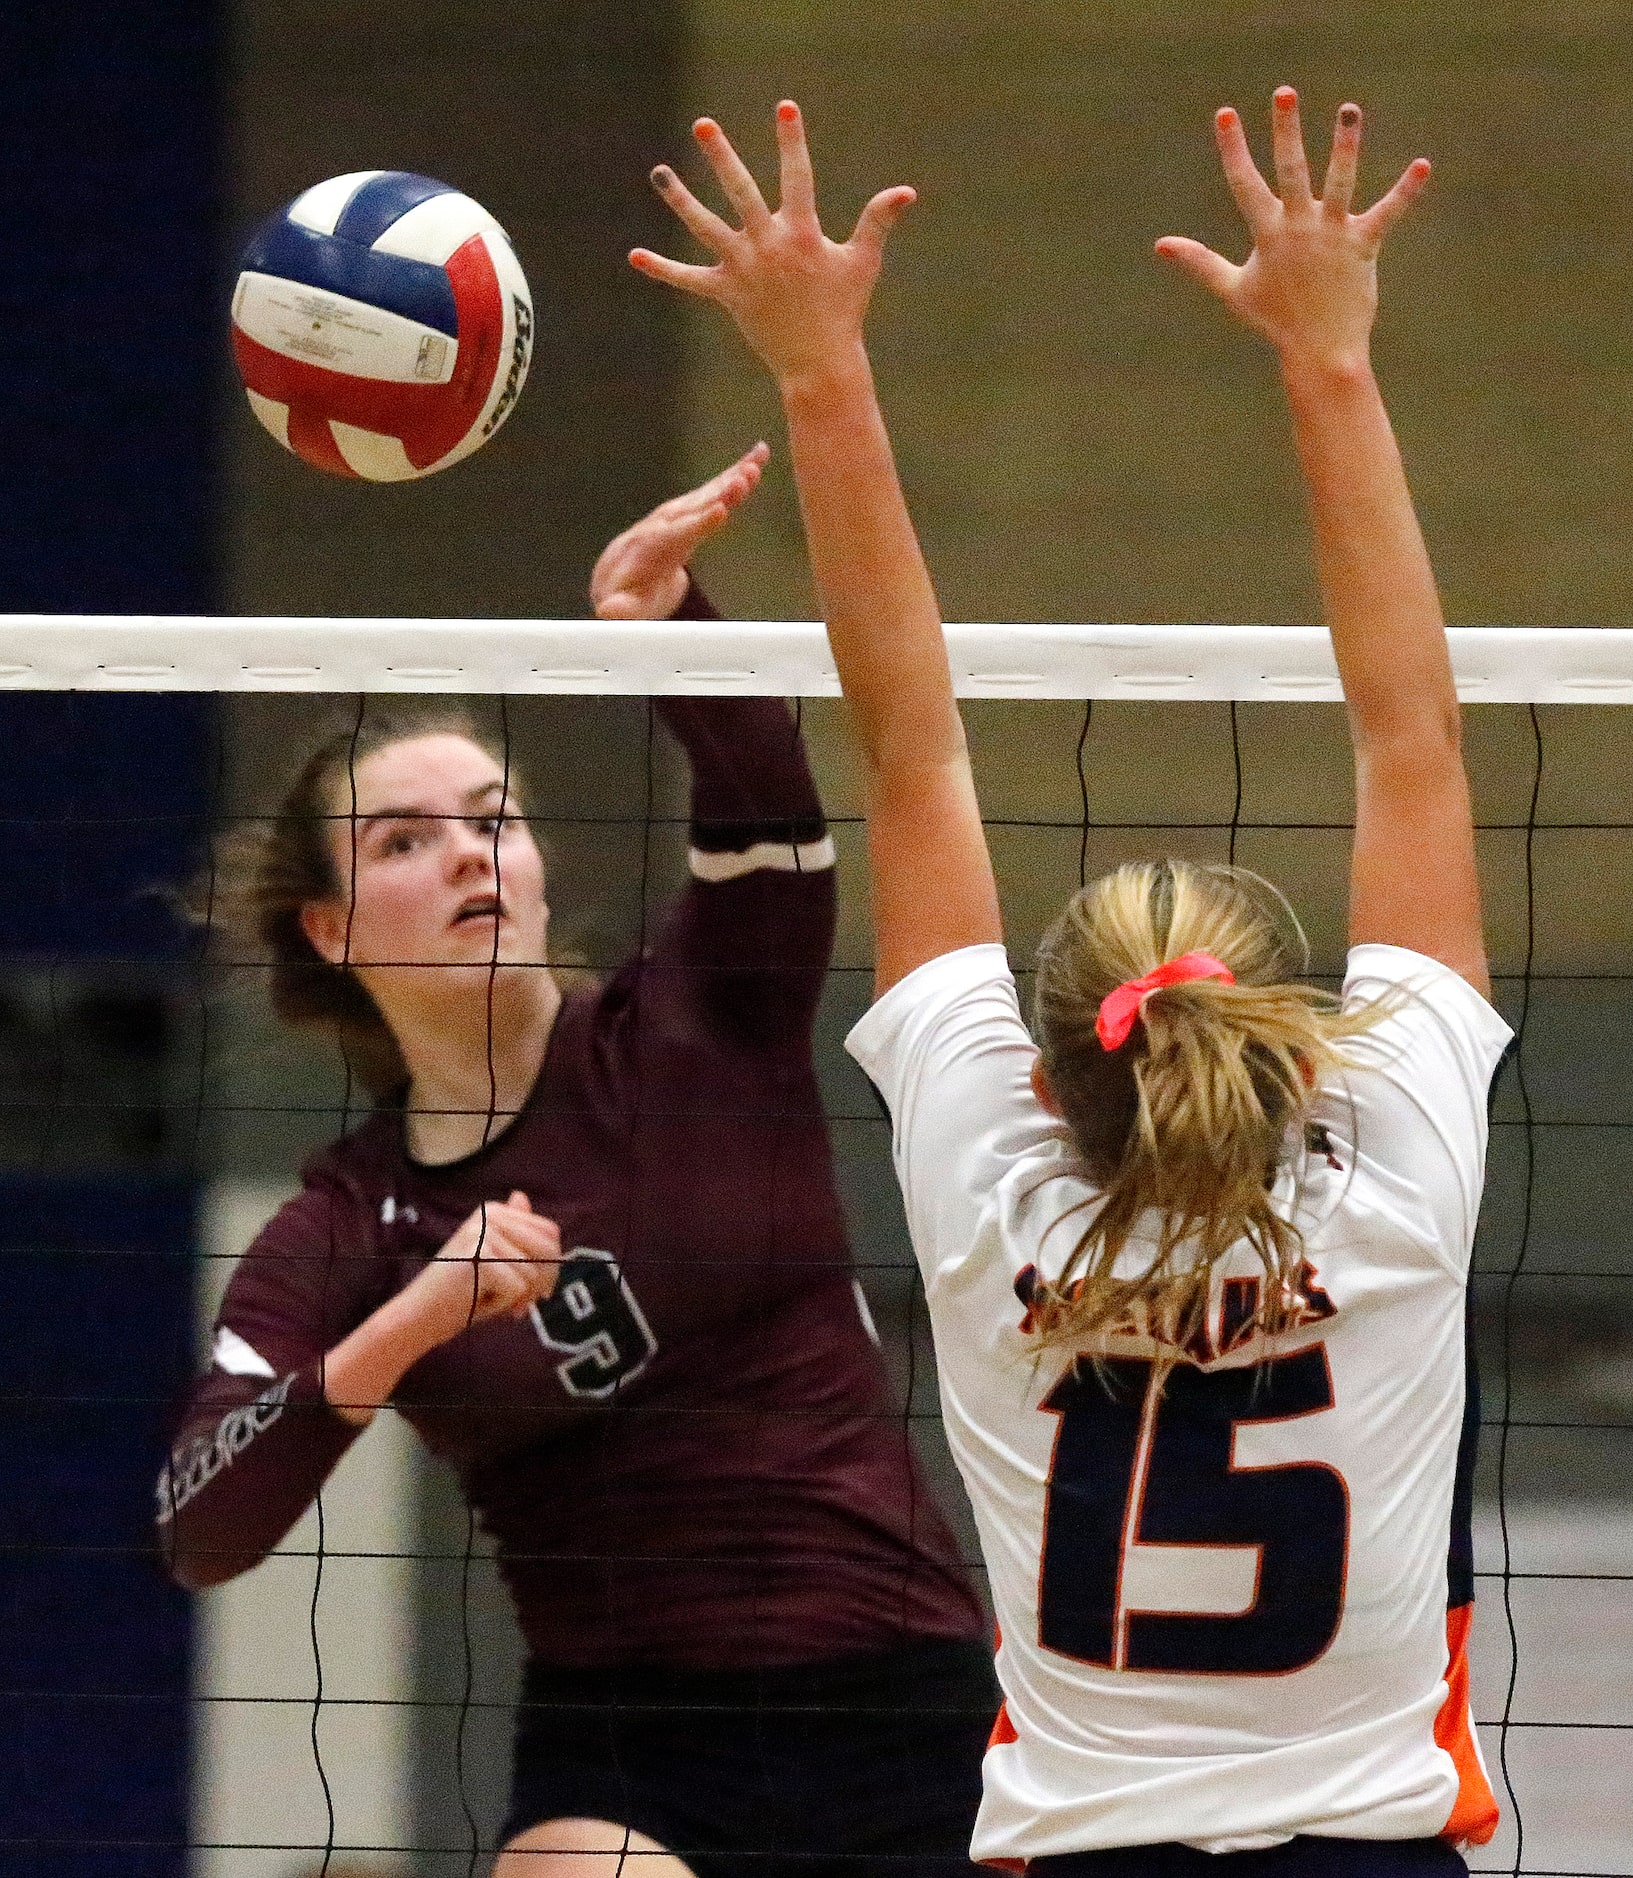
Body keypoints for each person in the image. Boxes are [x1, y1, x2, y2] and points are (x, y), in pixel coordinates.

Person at [636, 90, 1505, 1870]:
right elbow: (1410, 737)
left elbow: (912, 753)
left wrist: (816, 370)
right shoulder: (1399, 1174)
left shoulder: (987, 1193)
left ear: (1048, 1077)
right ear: (1305, 1056)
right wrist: (1328, 359)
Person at [155, 453, 995, 1877]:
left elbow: (775, 819)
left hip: (896, 1692)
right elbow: (199, 1522)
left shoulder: (697, 1020)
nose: (470, 855)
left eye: (494, 818)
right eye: (407, 841)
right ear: (330, 929)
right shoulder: (347, 1223)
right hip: (627, 1741)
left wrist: (673, 629)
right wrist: (410, 1320)